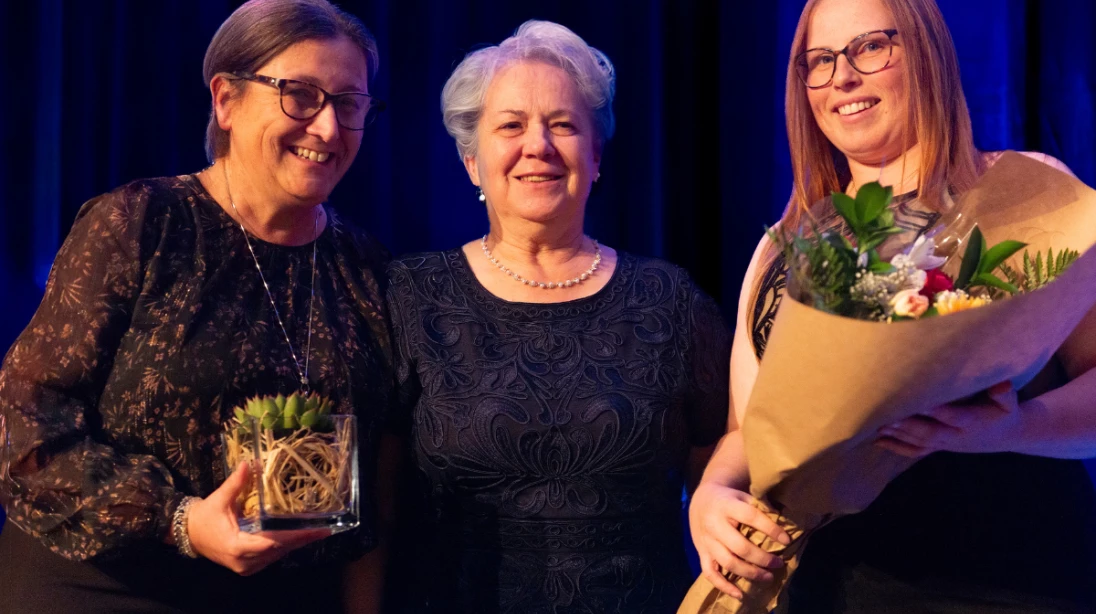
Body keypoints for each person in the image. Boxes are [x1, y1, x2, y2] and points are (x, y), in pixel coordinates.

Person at [688, 0, 1096, 611]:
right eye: (819, 61)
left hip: (1007, 580)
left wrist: (1012, 428)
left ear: (927, 54)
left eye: (870, 47)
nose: (843, 77)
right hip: (832, 587)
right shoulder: (782, 246)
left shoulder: (1024, 194)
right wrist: (711, 494)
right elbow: (753, 433)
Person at [0, 1, 395, 611]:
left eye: (348, 104)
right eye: (299, 94)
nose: (326, 128)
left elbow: (382, 467)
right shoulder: (141, 224)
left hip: (287, 596)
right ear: (226, 101)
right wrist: (179, 519)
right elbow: (25, 422)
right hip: (111, 586)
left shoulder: (365, 266)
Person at [383, 20, 730, 613]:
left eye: (563, 125)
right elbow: (379, 514)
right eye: (511, 126)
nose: (537, 145)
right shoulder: (410, 295)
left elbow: (721, 467)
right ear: (472, 162)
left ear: (596, 156)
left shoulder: (670, 299)